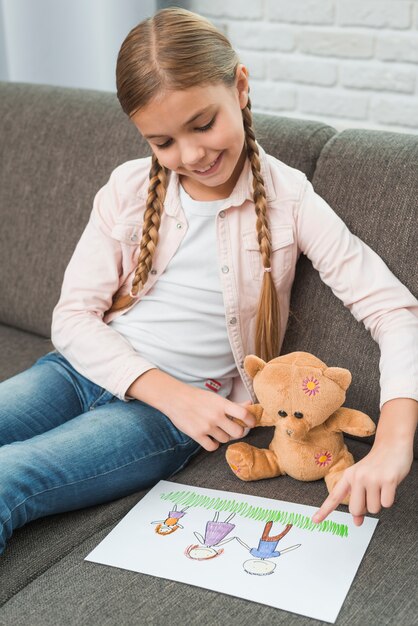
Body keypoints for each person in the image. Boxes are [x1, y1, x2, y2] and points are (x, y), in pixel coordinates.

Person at [0, 8, 417, 556]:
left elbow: (394, 312)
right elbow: (72, 317)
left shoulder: (290, 200)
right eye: (163, 142)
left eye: (202, 125)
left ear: (240, 87)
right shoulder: (127, 189)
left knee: (11, 475)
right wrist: (166, 390)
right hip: (82, 370)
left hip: (169, 419)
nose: (192, 156)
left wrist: (392, 442)